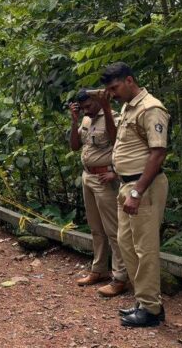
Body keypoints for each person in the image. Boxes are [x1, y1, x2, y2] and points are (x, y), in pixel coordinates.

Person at [99, 62, 170, 327]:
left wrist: (138, 191)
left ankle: (151, 310)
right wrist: (107, 109)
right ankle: (144, 300)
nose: (112, 93)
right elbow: (121, 140)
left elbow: (158, 152)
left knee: (144, 248)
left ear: (129, 80)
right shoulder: (128, 107)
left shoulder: (151, 108)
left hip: (144, 187)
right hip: (126, 186)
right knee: (126, 243)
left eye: (114, 87)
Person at [69, 89, 128, 297]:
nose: (86, 110)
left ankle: (120, 277)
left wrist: (115, 173)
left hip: (105, 179)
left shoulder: (114, 117)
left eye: (89, 106)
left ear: (97, 100)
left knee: (113, 229)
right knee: (96, 228)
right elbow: (75, 146)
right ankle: (99, 269)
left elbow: (121, 146)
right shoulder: (85, 119)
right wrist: (75, 120)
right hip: (88, 177)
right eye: (82, 108)